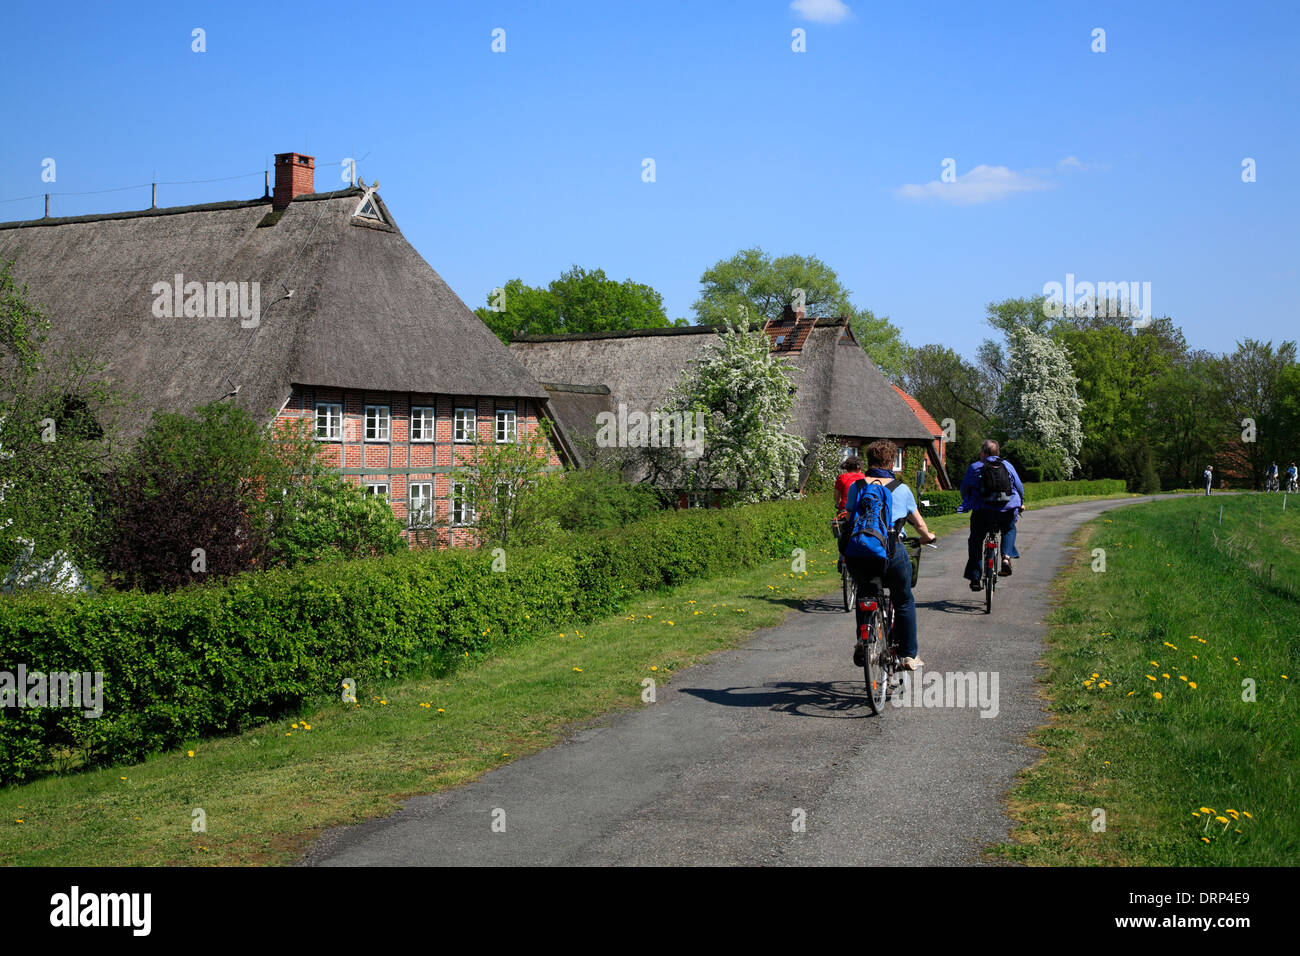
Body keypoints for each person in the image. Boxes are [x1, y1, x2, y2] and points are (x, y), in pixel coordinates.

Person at [842, 440, 936, 671]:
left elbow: (849, 518)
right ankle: (908, 656)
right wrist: (927, 537)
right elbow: (920, 526)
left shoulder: (857, 487)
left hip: (861, 554)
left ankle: (863, 641)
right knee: (903, 599)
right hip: (891, 553)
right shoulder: (901, 489)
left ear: (869, 461)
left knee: (865, 595)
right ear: (892, 462)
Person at [957, 440, 1025, 592]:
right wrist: (1021, 503)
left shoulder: (975, 467)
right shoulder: (1007, 466)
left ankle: (975, 577)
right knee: (1009, 529)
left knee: (975, 540)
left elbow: (964, 488)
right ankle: (1006, 558)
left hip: (982, 513)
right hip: (1005, 511)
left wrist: (968, 501)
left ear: (984, 453)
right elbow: (1019, 487)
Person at [833, 456, 866, 564]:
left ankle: (841, 557)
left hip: (844, 511)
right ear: (860, 467)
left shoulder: (842, 477)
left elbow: (836, 497)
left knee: (842, 534)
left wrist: (838, 505)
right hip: (861, 512)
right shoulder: (865, 477)